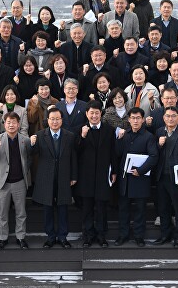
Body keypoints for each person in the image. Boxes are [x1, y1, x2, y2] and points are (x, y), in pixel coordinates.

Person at [31, 108, 78, 249]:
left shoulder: (69, 136)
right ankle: (50, 237)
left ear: (61, 120)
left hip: (64, 176)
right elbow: (32, 154)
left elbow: (73, 157)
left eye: (57, 118)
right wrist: (32, 143)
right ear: (48, 121)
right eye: (52, 119)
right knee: (48, 208)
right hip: (46, 177)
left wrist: (73, 176)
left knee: (63, 207)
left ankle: (63, 237)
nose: (55, 121)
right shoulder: (40, 135)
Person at [0, 112, 32, 250]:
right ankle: (3, 238)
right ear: (4, 124)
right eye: (8, 122)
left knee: (21, 212)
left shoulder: (25, 139)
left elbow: (29, 158)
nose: (11, 125)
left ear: (19, 124)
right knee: (3, 213)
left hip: (19, 181)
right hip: (3, 183)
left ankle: (21, 238)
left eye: (14, 122)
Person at [76, 100, 118, 248]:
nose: (94, 115)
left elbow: (113, 152)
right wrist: (82, 136)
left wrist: (114, 171)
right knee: (87, 207)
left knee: (101, 207)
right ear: (87, 114)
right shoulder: (80, 130)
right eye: (91, 113)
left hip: (102, 174)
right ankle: (88, 235)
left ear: (101, 113)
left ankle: (101, 235)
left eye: (97, 112)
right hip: (85, 175)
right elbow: (76, 153)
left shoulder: (109, 129)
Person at [114, 107, 158, 247]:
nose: (135, 121)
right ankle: (123, 235)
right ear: (128, 120)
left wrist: (140, 170)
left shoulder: (148, 136)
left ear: (143, 119)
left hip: (140, 178)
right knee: (123, 209)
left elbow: (153, 156)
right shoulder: (124, 135)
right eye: (132, 118)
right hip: (125, 180)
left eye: (138, 118)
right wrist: (119, 140)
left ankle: (139, 236)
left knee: (140, 210)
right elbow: (117, 154)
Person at [153, 106, 178, 247]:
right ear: (163, 118)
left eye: (173, 116)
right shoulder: (159, 132)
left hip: (177, 177)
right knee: (163, 208)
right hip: (161, 176)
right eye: (168, 116)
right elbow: (154, 154)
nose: (170, 118)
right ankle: (165, 235)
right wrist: (158, 145)